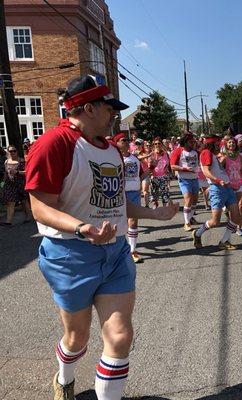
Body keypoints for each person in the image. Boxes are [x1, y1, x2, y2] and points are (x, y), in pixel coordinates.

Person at [24, 75, 178, 400]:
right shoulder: (55, 144)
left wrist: (154, 214)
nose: (114, 115)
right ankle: (64, 379)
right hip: (71, 256)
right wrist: (82, 228)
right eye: (109, 109)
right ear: (89, 108)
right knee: (77, 339)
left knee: (120, 337)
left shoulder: (111, 150)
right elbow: (40, 208)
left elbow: (117, 202)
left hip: (116, 253)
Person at [192, 134, 242, 250]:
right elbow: (206, 171)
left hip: (227, 188)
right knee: (215, 222)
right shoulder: (206, 153)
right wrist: (218, 181)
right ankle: (197, 234)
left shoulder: (214, 155)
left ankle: (224, 241)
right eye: (217, 143)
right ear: (211, 143)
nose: (220, 145)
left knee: (236, 217)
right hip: (217, 188)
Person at [115, 133, 149, 263]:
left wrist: (151, 168)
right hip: (120, 194)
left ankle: (133, 250)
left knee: (133, 221)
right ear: (117, 143)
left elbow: (139, 176)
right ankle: (119, 249)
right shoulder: (114, 158)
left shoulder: (135, 159)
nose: (127, 142)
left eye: (127, 140)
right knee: (120, 222)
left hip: (134, 192)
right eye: (123, 140)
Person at [170, 133, 200, 231]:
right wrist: (185, 169)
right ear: (185, 142)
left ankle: (190, 218)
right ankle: (186, 223)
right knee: (188, 199)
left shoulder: (196, 152)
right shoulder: (178, 151)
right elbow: (172, 166)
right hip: (184, 179)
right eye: (191, 142)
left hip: (195, 178)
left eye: (193, 142)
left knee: (195, 201)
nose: (193, 144)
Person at [0, 145, 32, 225]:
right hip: (10, 184)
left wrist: (17, 172)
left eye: (14, 151)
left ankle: (28, 216)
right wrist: (3, 183)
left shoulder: (22, 161)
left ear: (17, 152)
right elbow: (5, 173)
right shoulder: (6, 162)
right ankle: (8, 221)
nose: (12, 153)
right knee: (11, 202)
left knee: (24, 201)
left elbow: (27, 172)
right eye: (10, 151)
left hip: (20, 184)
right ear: (8, 152)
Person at [222, 136, 242, 236]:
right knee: (233, 207)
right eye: (229, 143)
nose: (231, 144)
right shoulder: (224, 157)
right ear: (226, 145)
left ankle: (238, 228)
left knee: (241, 205)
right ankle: (231, 220)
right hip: (229, 184)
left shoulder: (240, 156)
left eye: (233, 142)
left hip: (240, 182)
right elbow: (219, 171)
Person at [148, 137, 171, 208]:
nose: (157, 145)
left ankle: (164, 209)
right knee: (154, 196)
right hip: (154, 177)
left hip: (163, 177)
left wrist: (167, 171)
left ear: (161, 144)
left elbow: (168, 163)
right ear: (153, 145)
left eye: (159, 143)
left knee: (165, 195)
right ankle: (155, 207)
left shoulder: (166, 154)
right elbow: (149, 167)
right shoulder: (151, 154)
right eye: (155, 144)